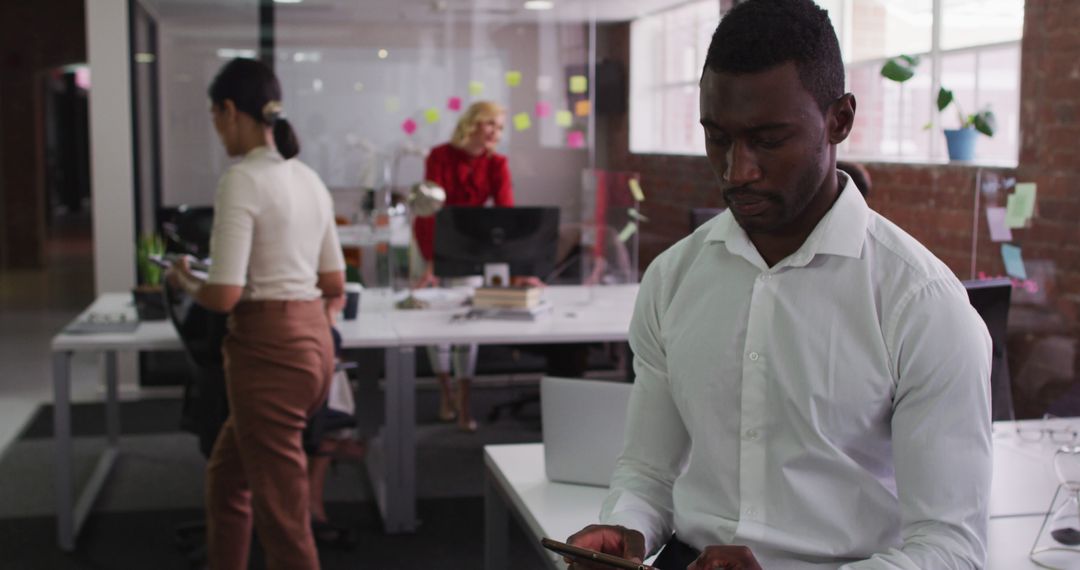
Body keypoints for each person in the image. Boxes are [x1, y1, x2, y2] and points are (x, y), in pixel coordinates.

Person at [566, 1, 993, 568]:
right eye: (717, 138)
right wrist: (627, 527)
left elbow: (951, 548)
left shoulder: (920, 303)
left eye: (768, 140)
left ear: (839, 120)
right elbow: (648, 471)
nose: (736, 169)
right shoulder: (673, 278)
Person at [166, 57, 345, 570]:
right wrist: (309, 322)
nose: (217, 129)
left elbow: (223, 296)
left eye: (215, 117)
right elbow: (334, 284)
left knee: (283, 518)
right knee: (227, 481)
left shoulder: (241, 180)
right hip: (313, 348)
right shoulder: (308, 178)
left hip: (270, 356)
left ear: (228, 110)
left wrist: (182, 278)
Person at [412, 100, 513, 433]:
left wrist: (512, 264)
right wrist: (431, 262)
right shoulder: (439, 156)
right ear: (472, 124)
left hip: (469, 246)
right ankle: (445, 392)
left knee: (468, 322)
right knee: (434, 321)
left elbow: (505, 215)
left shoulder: (497, 164)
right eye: (490, 124)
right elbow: (428, 213)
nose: (495, 133)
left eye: (499, 127)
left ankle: (465, 399)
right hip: (430, 239)